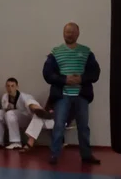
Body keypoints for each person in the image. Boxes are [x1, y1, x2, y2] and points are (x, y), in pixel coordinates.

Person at [43, 22, 101, 165]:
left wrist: (81, 78)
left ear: (78, 33)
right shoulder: (55, 53)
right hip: (62, 95)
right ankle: (54, 155)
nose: (69, 34)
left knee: (83, 126)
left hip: (81, 95)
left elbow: (95, 73)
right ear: (63, 33)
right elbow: (47, 74)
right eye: (67, 32)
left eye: (72, 32)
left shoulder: (87, 52)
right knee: (59, 125)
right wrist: (64, 80)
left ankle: (86, 155)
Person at [0, 78, 44, 149]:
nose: (10, 88)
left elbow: (33, 105)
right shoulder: (5, 97)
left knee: (10, 113)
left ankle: (16, 142)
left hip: (27, 119)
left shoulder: (25, 97)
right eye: (8, 86)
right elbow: (5, 109)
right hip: (12, 117)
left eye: (12, 86)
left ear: (17, 87)